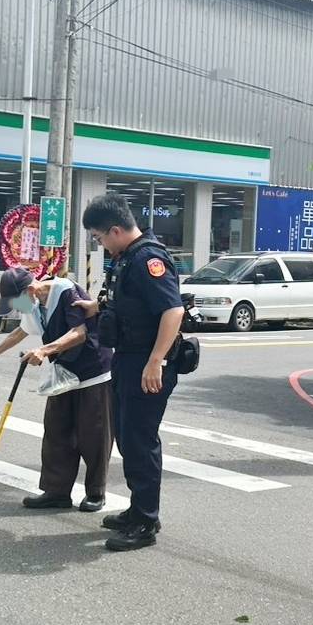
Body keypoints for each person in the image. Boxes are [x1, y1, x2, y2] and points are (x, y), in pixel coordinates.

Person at [78, 194, 184, 552]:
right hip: (127, 358)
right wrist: (94, 306)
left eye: (99, 237)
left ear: (115, 230)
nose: (101, 245)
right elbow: (126, 304)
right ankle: (138, 509)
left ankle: (146, 521)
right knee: (126, 437)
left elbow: (173, 311)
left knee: (140, 440)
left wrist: (155, 361)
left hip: (146, 363)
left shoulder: (148, 260)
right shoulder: (126, 258)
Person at [0, 267, 114, 512]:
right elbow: (21, 331)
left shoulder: (66, 292)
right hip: (64, 372)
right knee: (56, 432)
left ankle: (95, 493)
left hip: (93, 371)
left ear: (30, 290)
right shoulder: (34, 302)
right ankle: (56, 492)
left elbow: (79, 332)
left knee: (94, 434)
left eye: (15, 302)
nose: (16, 308)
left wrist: (44, 350)